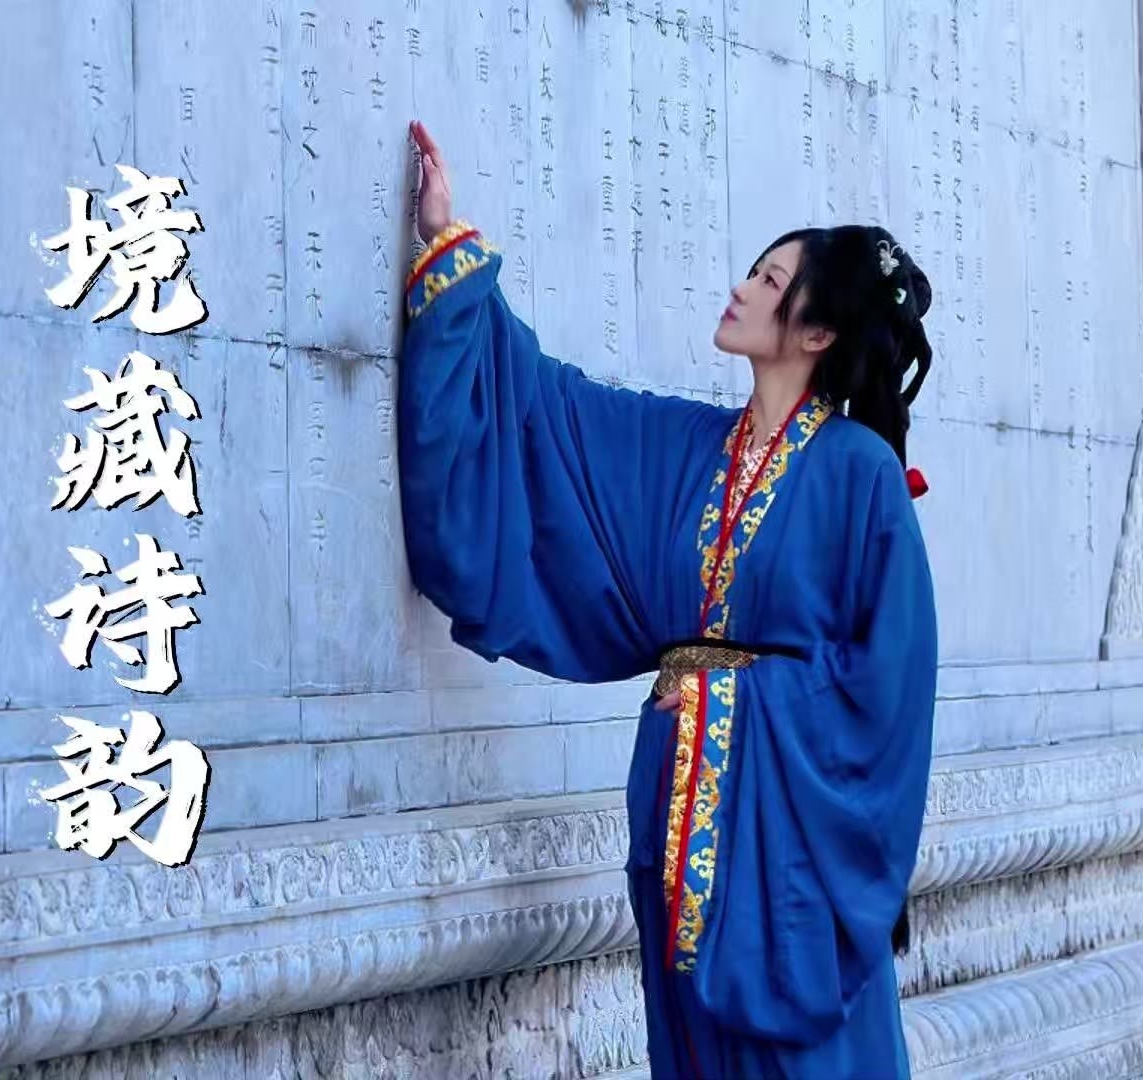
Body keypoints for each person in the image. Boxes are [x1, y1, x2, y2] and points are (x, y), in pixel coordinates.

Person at [396, 119, 939, 1078]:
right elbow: (549, 412)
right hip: (677, 812)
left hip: (786, 843)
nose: (743, 287)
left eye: (770, 281)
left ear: (817, 332)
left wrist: (730, 700)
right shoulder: (689, 449)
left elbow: (890, 691)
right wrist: (449, 247)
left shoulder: (860, 474)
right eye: (755, 271)